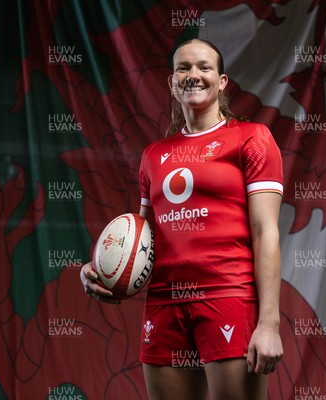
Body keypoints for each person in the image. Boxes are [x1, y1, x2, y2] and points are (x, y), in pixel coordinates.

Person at [80, 38, 283, 400]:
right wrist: (99, 269)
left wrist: (269, 323)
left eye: (204, 67)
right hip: (164, 303)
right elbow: (142, 239)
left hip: (228, 295)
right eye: (183, 68)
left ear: (222, 81)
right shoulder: (153, 155)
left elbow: (265, 231)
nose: (193, 75)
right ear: (171, 83)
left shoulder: (251, 139)